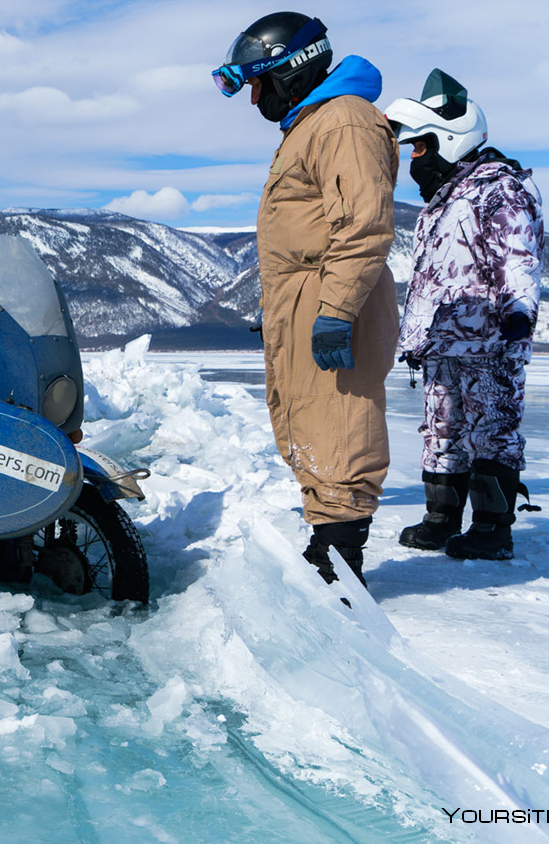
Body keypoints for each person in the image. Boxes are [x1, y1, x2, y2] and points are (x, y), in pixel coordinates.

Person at [213, 13, 399, 587]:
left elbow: (363, 225)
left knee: (341, 421)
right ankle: (327, 547)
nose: (254, 101)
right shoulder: (313, 124)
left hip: (333, 301)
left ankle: (342, 567)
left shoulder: (342, 122)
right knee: (314, 423)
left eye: (257, 84)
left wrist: (336, 310)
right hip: (309, 302)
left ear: (289, 73)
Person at [385, 71, 543, 561]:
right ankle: (441, 518)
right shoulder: (446, 199)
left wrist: (517, 311)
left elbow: (517, 256)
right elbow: (431, 276)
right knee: (441, 429)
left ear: (450, 140)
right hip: (442, 341)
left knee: (491, 428)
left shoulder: (499, 189)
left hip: (487, 338)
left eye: (420, 148)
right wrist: (415, 334)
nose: (415, 160)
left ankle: (493, 527)